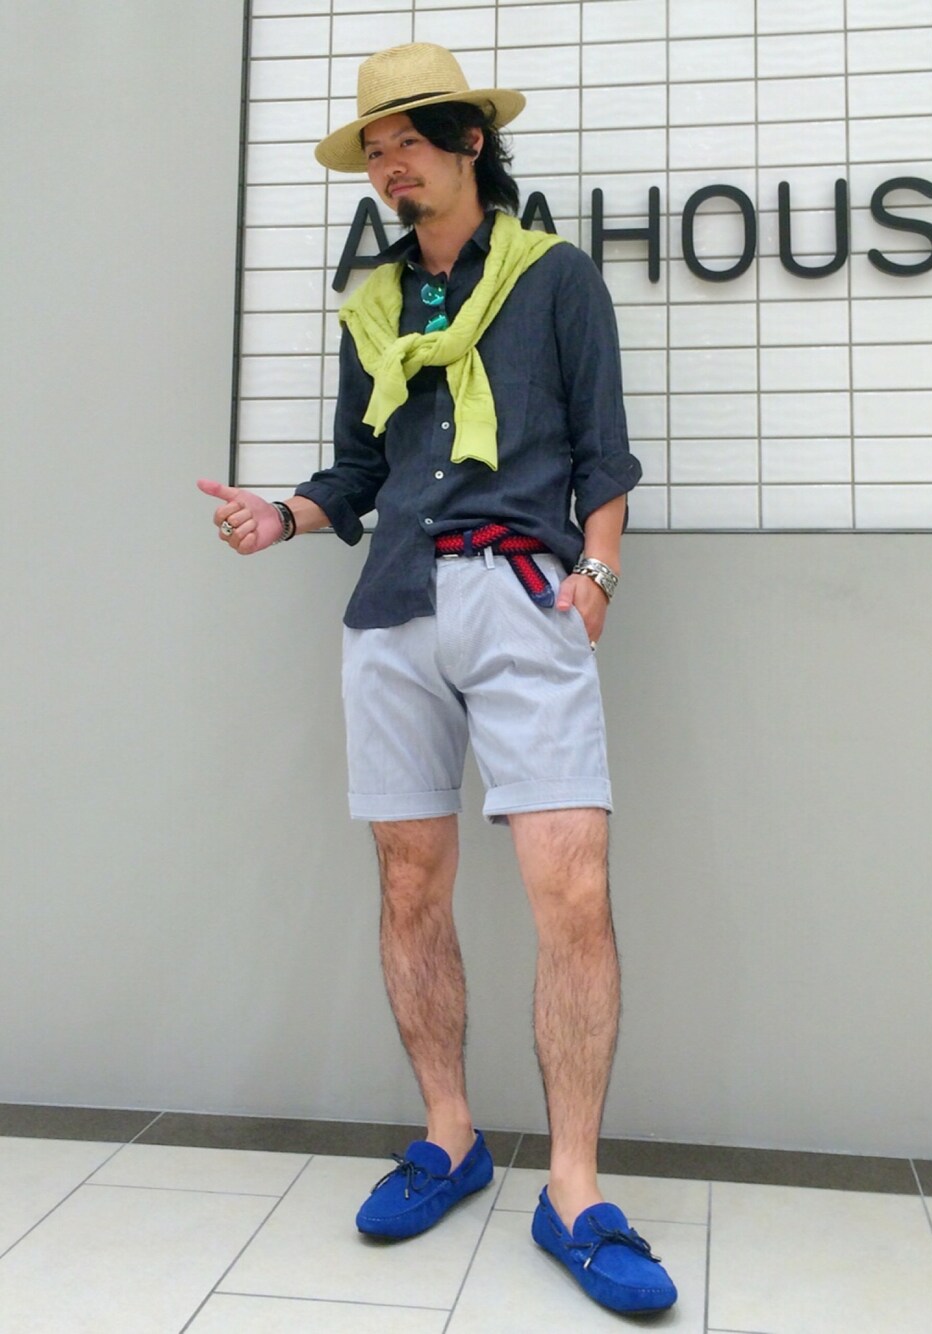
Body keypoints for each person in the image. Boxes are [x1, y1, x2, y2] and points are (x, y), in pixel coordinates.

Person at [198, 42, 676, 1316]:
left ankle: (573, 1189)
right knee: (410, 882)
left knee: (571, 887)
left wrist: (598, 577)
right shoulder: (377, 307)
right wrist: (282, 515)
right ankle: (449, 1135)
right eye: (375, 150)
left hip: (521, 592)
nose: (388, 166)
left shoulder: (553, 276)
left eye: (407, 140)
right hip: (392, 605)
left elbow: (605, 450)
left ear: (470, 142)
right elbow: (358, 473)